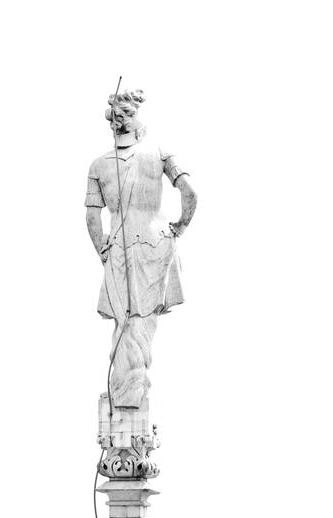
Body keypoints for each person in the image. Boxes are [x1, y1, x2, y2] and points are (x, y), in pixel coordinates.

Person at [85, 89, 197, 409]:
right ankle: (130, 389)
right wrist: (180, 227)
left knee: (125, 323)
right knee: (140, 324)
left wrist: (102, 249)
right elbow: (190, 193)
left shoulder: (98, 165)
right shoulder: (161, 153)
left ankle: (128, 390)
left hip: (119, 246)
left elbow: (92, 216)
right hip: (156, 240)